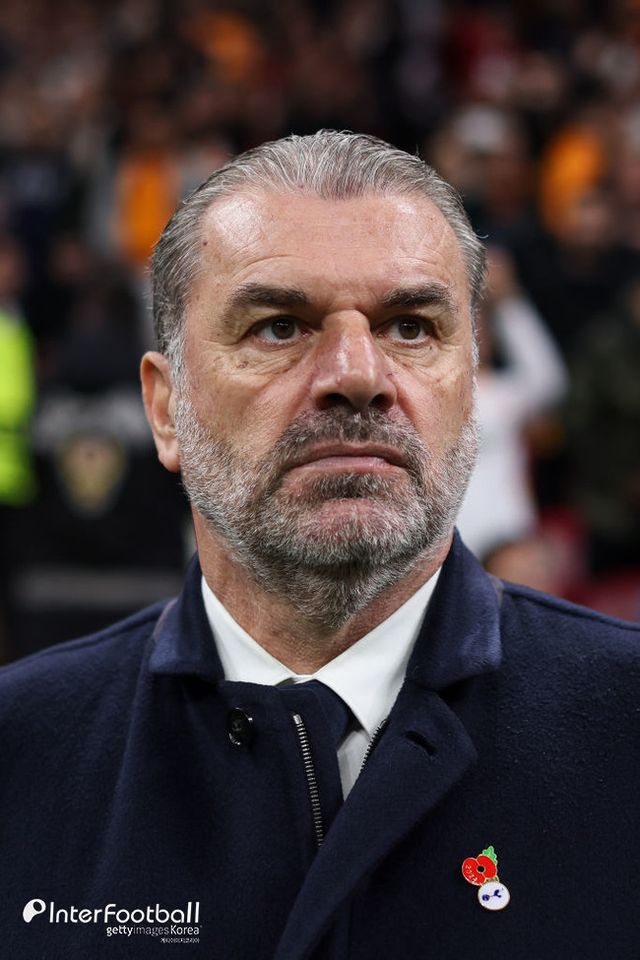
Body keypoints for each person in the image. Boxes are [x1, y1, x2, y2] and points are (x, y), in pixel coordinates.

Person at [1, 131, 639, 960]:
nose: (357, 374)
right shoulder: (20, 752)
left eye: (410, 326)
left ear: (472, 385)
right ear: (166, 410)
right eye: (279, 327)